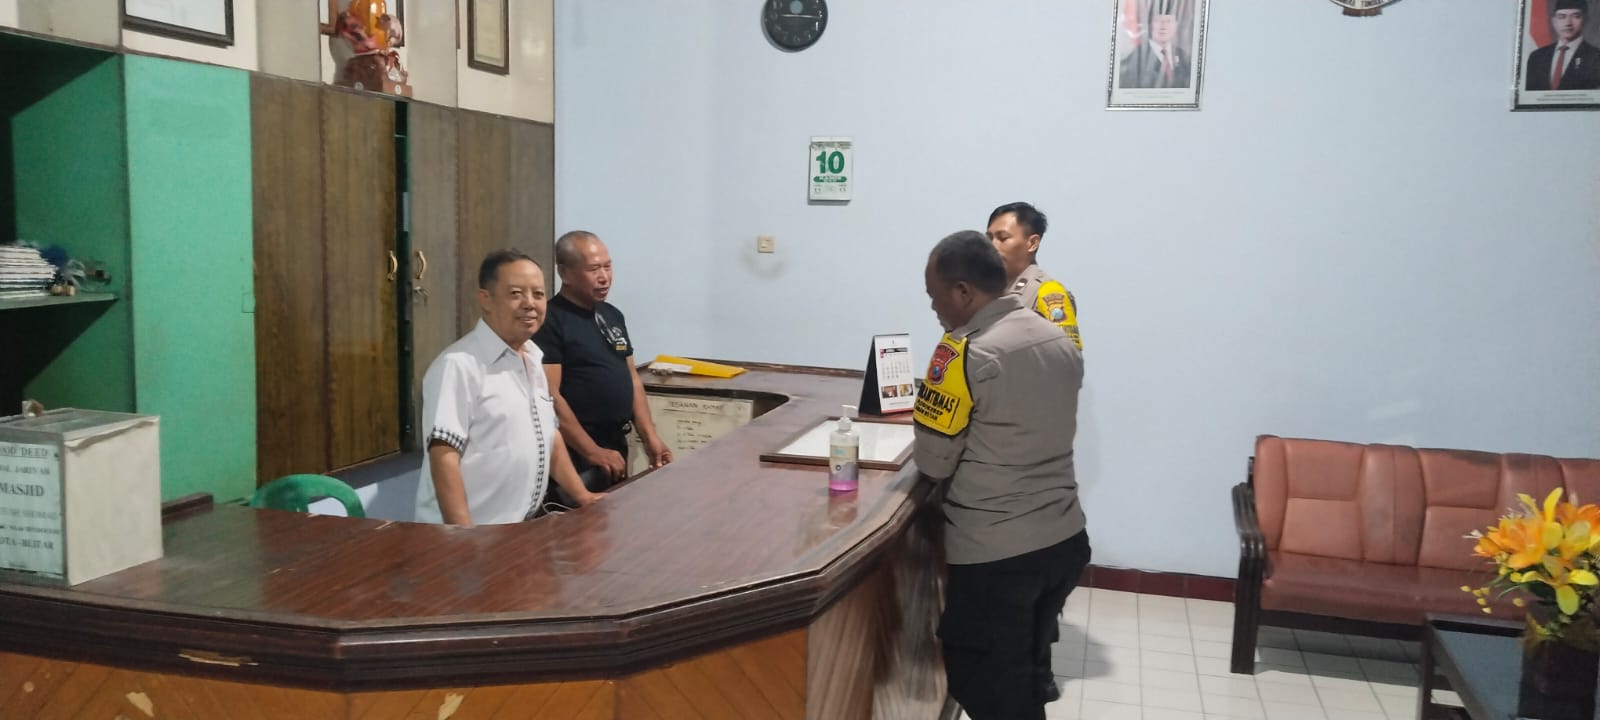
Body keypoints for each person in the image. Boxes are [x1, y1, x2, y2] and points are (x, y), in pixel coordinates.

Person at [913, 231, 1092, 720]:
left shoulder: (963, 352)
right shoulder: (1057, 338)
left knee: (985, 685)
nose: (933, 308)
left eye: (934, 296)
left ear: (963, 292)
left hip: (997, 554)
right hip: (1064, 541)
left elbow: (934, 462)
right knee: (1023, 679)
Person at [416, 249, 602, 526]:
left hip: (515, 530)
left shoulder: (534, 357)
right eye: (516, 294)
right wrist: (464, 535)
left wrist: (583, 497)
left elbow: (550, 437)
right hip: (469, 534)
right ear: (486, 299)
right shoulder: (458, 365)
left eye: (538, 294)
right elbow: (444, 456)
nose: (530, 304)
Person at [534, 231, 672, 503]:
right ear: (565, 273)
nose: (604, 277)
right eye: (593, 269)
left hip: (615, 444)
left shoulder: (612, 315)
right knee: (577, 525)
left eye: (608, 267)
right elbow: (551, 397)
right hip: (574, 452)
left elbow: (631, 378)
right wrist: (591, 451)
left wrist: (650, 436)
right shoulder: (550, 321)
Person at [987, 202, 1083, 351]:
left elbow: (1067, 357)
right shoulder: (984, 294)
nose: (993, 246)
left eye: (1003, 238)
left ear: (1032, 243)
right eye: (989, 238)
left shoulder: (1048, 293)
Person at [1526, 0, 1600, 91]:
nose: (1568, 23)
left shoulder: (1596, 56)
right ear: (1553, 21)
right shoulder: (1536, 57)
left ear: (1585, 19)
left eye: (1576, 16)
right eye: (1561, 17)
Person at [1119, 0, 1192, 89]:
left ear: (1176, 25)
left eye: (1168, 21)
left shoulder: (1185, 58)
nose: (1163, 26)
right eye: (1158, 21)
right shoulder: (1133, 60)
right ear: (1150, 25)